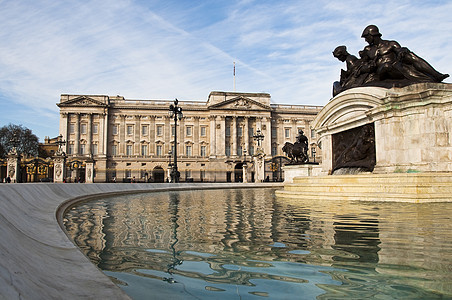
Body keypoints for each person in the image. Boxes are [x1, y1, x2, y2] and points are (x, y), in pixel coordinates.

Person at [359, 25, 449, 83]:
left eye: (367, 37)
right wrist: (367, 67)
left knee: (409, 55)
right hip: (380, 72)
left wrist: (402, 51)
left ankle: (436, 74)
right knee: (386, 66)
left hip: (395, 69)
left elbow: (399, 51)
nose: (366, 40)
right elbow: (360, 66)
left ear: (372, 35)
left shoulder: (391, 44)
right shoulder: (368, 50)